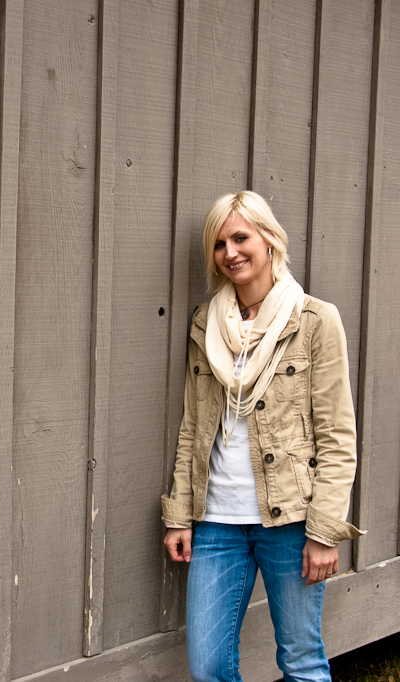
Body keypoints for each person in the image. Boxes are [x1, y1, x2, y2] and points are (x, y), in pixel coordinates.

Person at [161, 191, 364, 682]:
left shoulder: (314, 321)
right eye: (219, 244)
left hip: (290, 522)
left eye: (240, 238)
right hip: (216, 522)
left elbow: (337, 437)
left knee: (301, 659)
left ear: (270, 239)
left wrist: (324, 532)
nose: (230, 252)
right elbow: (194, 428)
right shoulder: (207, 323)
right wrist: (180, 514)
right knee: (208, 667)